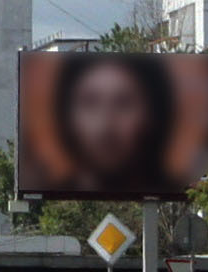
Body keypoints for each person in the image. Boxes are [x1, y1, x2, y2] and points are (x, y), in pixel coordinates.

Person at [47, 52, 178, 198]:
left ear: (150, 115)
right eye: (89, 103)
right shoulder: (49, 180)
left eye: (123, 103)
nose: (105, 126)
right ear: (67, 115)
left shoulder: (177, 180)